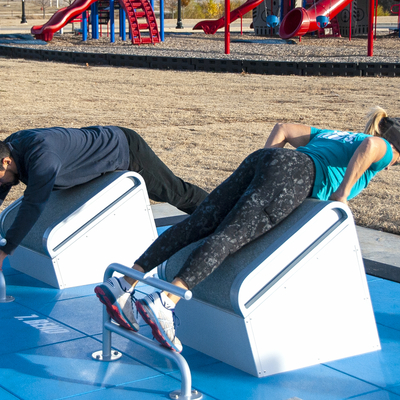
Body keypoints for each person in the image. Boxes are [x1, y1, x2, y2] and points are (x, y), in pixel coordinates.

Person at [95, 106, 400, 352]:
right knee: (229, 237)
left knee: (198, 221)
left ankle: (123, 283)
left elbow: (283, 127)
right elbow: (374, 146)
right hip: (296, 173)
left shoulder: (338, 135)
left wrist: (267, 168)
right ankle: (165, 301)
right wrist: (342, 195)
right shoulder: (385, 147)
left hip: (266, 158)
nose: (389, 166)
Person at [0, 125, 208, 270]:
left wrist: (5, 250)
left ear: (7, 161)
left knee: (178, 194)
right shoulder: (11, 147)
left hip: (126, 150)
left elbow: (34, 205)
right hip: (99, 151)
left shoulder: (42, 158)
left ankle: (222, 215)